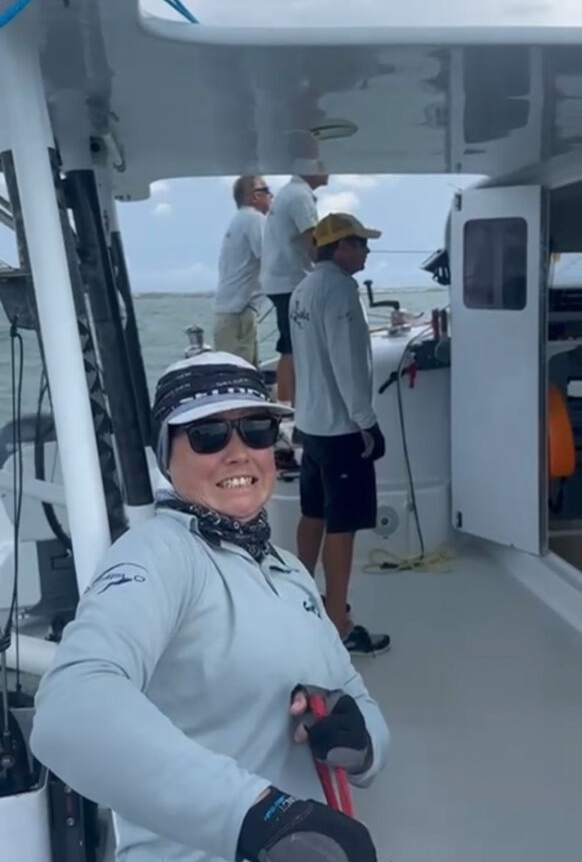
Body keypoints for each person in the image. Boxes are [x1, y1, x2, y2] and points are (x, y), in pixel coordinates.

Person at [30, 350, 389, 862]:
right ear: (166, 455)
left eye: (257, 429)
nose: (238, 452)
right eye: (208, 435)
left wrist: (361, 739)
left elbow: (357, 695)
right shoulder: (159, 553)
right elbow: (69, 706)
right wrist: (259, 816)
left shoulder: (290, 572)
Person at [289, 214, 391, 657]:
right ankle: (337, 623)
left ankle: (297, 598)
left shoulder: (302, 289)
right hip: (339, 429)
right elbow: (347, 364)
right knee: (343, 525)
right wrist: (367, 422)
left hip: (309, 425)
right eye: (361, 244)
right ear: (340, 247)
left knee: (313, 513)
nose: (367, 251)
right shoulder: (341, 290)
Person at [260, 161, 328, 402]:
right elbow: (314, 243)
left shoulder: (290, 193)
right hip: (290, 282)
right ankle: (289, 406)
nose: (329, 170)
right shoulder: (300, 196)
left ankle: (289, 402)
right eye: (323, 165)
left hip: (281, 281)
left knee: (291, 344)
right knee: (294, 347)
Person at [213, 175, 272, 366]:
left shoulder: (239, 220)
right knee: (242, 373)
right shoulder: (255, 219)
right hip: (239, 313)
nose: (271, 195)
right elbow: (271, 259)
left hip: (229, 311)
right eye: (266, 191)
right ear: (254, 197)